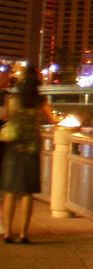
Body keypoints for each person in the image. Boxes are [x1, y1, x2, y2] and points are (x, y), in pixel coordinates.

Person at [1, 67, 55, 243]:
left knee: (10, 192)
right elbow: (53, 120)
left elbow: (7, 117)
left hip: (13, 147)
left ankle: (8, 232)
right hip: (32, 148)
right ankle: (24, 234)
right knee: (27, 193)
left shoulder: (12, 99)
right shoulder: (41, 102)